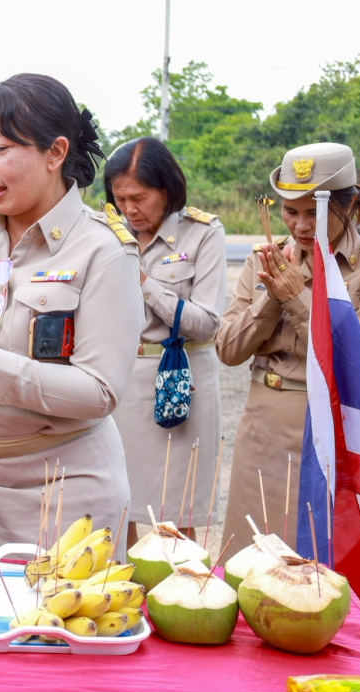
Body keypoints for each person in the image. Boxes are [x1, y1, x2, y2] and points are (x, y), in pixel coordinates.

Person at [0, 74, 142, 551]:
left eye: (3, 148)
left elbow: (99, 390)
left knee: (56, 625)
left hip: (65, 489)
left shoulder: (104, 250)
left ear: (55, 153)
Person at [217, 142, 360, 545]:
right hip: (261, 426)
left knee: (310, 568)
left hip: (325, 430)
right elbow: (228, 350)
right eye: (289, 210)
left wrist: (297, 300)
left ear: (349, 205)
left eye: (314, 212)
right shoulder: (263, 259)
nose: (300, 226)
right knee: (249, 560)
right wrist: (271, 297)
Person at [105, 138, 227, 544]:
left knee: (175, 510)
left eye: (139, 197)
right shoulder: (110, 234)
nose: (129, 210)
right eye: (120, 199)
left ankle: (180, 597)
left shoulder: (202, 234)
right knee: (118, 504)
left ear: (167, 189)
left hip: (177, 382)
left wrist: (145, 283)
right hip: (120, 381)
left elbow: (206, 324)